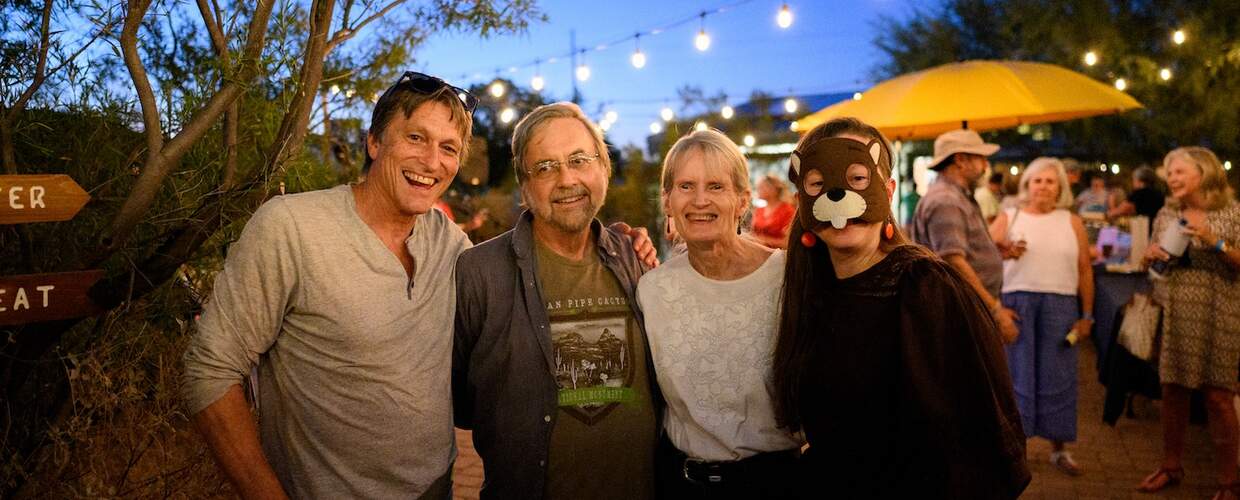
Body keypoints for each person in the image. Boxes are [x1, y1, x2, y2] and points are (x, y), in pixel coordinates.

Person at [182, 71, 479, 498]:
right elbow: (208, 370)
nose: (432, 162)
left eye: (448, 148)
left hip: (437, 488)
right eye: (415, 138)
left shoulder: (452, 245)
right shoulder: (293, 228)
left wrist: (606, 247)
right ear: (374, 142)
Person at [770, 117, 1029, 498]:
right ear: (802, 199)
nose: (838, 193)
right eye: (819, 184)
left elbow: (977, 442)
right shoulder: (809, 290)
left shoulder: (924, 287)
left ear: (887, 190)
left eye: (858, 178)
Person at [453, 102, 661, 500]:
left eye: (579, 160)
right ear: (524, 186)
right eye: (545, 167)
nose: (566, 179)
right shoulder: (480, 273)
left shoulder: (637, 259)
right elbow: (463, 402)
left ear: (604, 168)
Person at [636, 130, 802, 498]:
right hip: (680, 483)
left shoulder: (787, 281)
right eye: (684, 186)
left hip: (773, 484)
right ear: (666, 200)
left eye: (715, 186)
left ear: (742, 200)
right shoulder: (652, 291)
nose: (699, 200)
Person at [1137, 146, 1240, 500]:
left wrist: (1214, 241)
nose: (1173, 178)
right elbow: (1155, 268)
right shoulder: (1167, 213)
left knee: (1219, 397)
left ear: (1204, 173)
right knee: (1173, 392)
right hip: (1178, 312)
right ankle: (1171, 466)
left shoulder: (1231, 212)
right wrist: (1149, 257)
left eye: (1180, 171)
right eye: (1170, 172)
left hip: (1220, 313)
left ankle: (1229, 482)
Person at [988, 157, 1095, 476]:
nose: (1043, 186)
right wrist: (996, 303)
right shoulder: (1010, 215)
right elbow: (984, 257)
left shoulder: (1071, 221)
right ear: (1027, 185)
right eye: (1037, 180)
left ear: (1060, 187)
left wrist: (1087, 314)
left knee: (1059, 376)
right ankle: (1013, 448)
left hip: (1061, 305)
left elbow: (1085, 270)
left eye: (1050, 181)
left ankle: (1059, 450)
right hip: (1017, 303)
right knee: (1015, 377)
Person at [910, 128, 1019, 342]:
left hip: (964, 310)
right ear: (960, 160)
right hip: (960, 314)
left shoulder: (956, 196)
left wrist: (993, 252)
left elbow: (955, 252)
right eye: (981, 159)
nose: (985, 166)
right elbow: (954, 261)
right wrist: (995, 311)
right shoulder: (946, 200)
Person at [749, 173, 796, 248]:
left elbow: (788, 242)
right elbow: (752, 233)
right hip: (757, 253)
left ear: (773, 189)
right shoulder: (759, 210)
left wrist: (763, 241)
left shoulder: (788, 210)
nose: (758, 190)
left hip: (776, 255)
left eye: (761, 187)